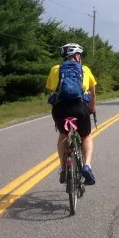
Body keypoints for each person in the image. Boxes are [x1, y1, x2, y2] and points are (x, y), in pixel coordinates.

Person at [46, 43, 97, 185]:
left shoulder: (55, 69)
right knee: (86, 136)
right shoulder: (85, 69)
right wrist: (92, 107)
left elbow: (51, 90)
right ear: (77, 56)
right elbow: (92, 91)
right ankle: (87, 166)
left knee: (63, 135)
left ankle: (63, 168)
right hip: (79, 108)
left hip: (60, 109)